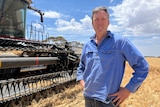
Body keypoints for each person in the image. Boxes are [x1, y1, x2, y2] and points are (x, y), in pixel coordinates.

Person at [76, 6, 149, 107]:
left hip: (107, 101)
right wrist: (83, 84)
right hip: (88, 99)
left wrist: (128, 90)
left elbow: (142, 67)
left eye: (103, 19)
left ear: (108, 22)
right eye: (96, 19)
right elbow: (81, 68)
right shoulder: (87, 45)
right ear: (92, 23)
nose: (100, 23)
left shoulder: (120, 42)